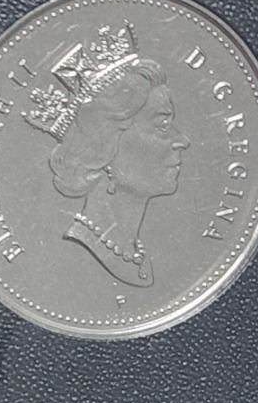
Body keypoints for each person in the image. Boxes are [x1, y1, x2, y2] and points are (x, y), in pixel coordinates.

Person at [25, 27, 188, 289]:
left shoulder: (135, 252)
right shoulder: (70, 267)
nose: (182, 141)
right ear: (104, 145)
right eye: (162, 125)